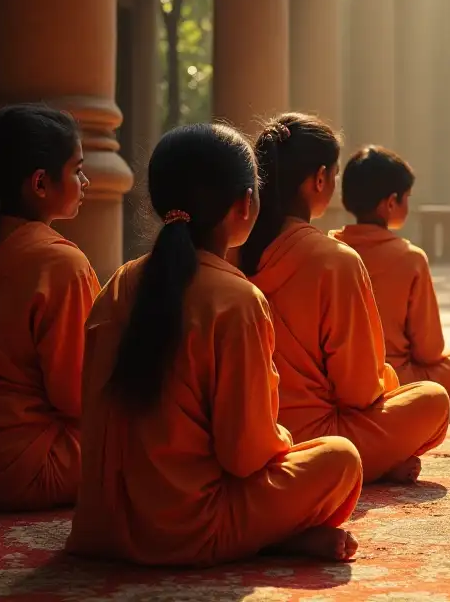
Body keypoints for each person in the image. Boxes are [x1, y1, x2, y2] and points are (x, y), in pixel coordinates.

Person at [68, 123, 363, 566]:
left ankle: (276, 537)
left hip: (104, 523)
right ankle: (272, 536)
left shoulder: (119, 283)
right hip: (190, 529)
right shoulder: (236, 299)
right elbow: (245, 455)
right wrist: (281, 435)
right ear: (246, 204)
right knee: (340, 458)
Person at [240, 115, 450, 484]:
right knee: (432, 400)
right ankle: (378, 461)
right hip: (321, 436)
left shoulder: (233, 252)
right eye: (333, 175)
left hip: (247, 433)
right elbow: (358, 392)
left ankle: (378, 458)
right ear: (319, 179)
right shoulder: (334, 259)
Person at [0, 104, 99, 511]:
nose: (85, 181)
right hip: (32, 467)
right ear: (40, 183)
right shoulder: (60, 263)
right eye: (77, 169)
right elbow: (78, 397)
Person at [330, 145, 450, 402]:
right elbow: (430, 351)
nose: (408, 203)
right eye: (406, 197)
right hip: (394, 380)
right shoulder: (410, 258)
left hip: (334, 381)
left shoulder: (328, 250)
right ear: (390, 203)